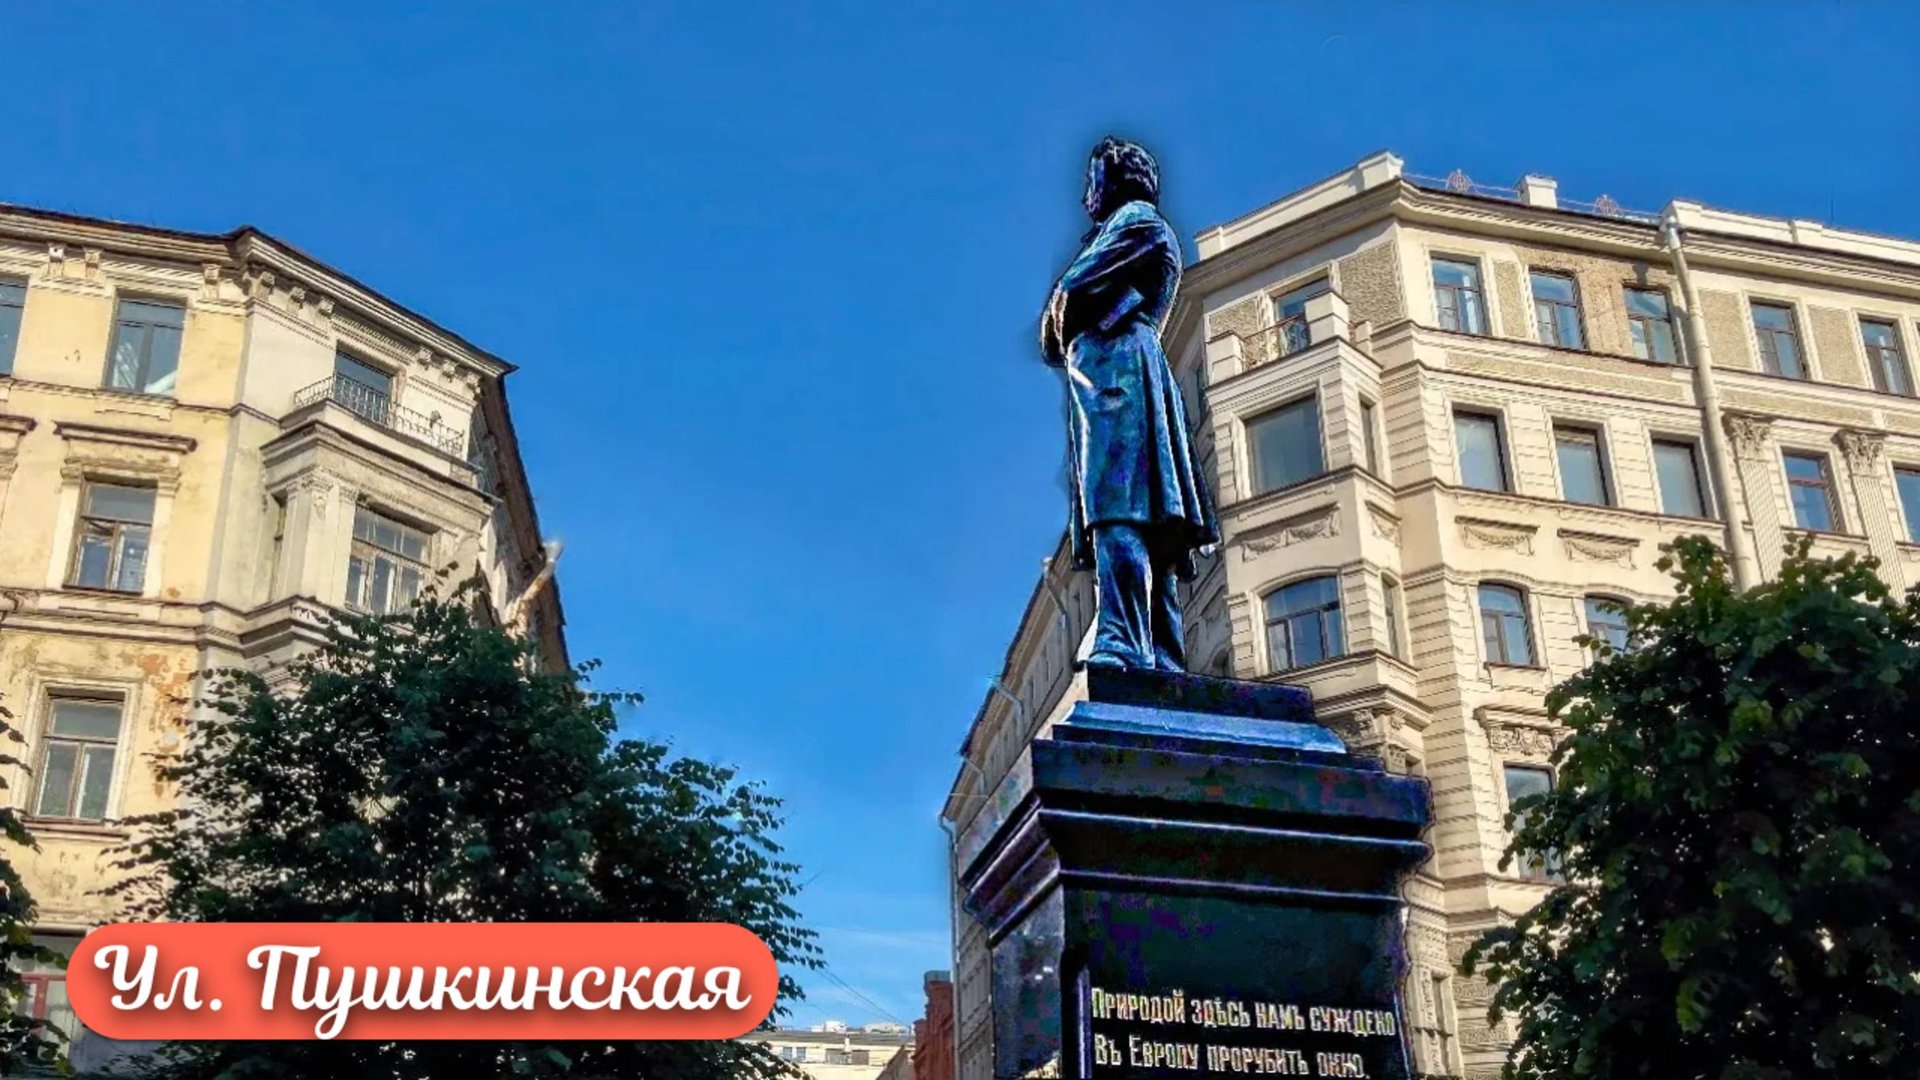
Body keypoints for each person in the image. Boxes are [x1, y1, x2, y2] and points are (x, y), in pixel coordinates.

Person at [1040, 137, 1218, 671]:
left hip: (1117, 376)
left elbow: (1069, 294)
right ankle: (1161, 650)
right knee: (1144, 515)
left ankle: (1122, 639)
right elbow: (1053, 333)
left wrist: (1066, 312)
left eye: (1091, 180)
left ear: (1116, 180)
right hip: (1114, 373)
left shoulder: (1137, 220)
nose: (1084, 196)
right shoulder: (1129, 228)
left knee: (1118, 506)